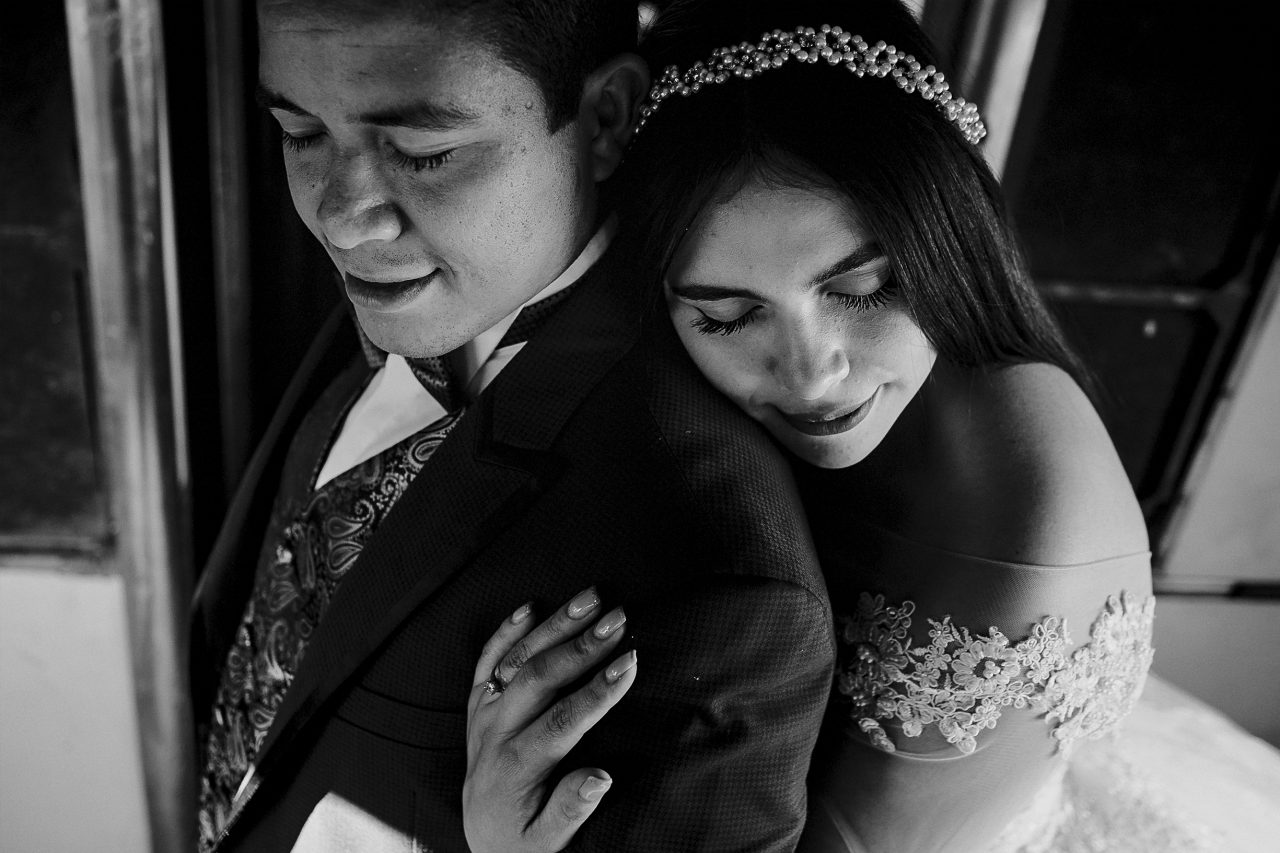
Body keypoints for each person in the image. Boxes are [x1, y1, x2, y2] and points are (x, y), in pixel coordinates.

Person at [459, 0, 1280, 850]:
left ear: (947, 235)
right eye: (731, 316)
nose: (812, 372)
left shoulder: (1021, 536)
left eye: (861, 289)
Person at [188, 1, 836, 850]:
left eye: (427, 154)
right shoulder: (414, 282)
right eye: (299, 133)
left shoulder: (718, 574)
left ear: (605, 118)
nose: (338, 215)